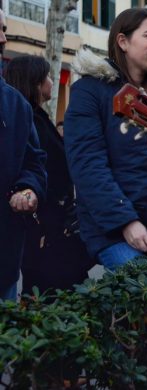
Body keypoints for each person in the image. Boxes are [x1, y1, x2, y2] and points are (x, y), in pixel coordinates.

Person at [64, 8, 147, 270]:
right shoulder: (89, 90)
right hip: (113, 226)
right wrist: (125, 221)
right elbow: (88, 165)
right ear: (123, 41)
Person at [5, 55, 94, 294]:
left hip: (52, 224)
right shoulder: (30, 120)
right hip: (44, 226)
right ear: (35, 82)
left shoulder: (37, 117)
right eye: (46, 77)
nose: (52, 82)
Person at [0, 9, 47, 300]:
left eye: (4, 29)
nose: (3, 38)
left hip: (3, 262)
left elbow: (34, 161)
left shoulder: (16, 104)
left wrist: (28, 188)